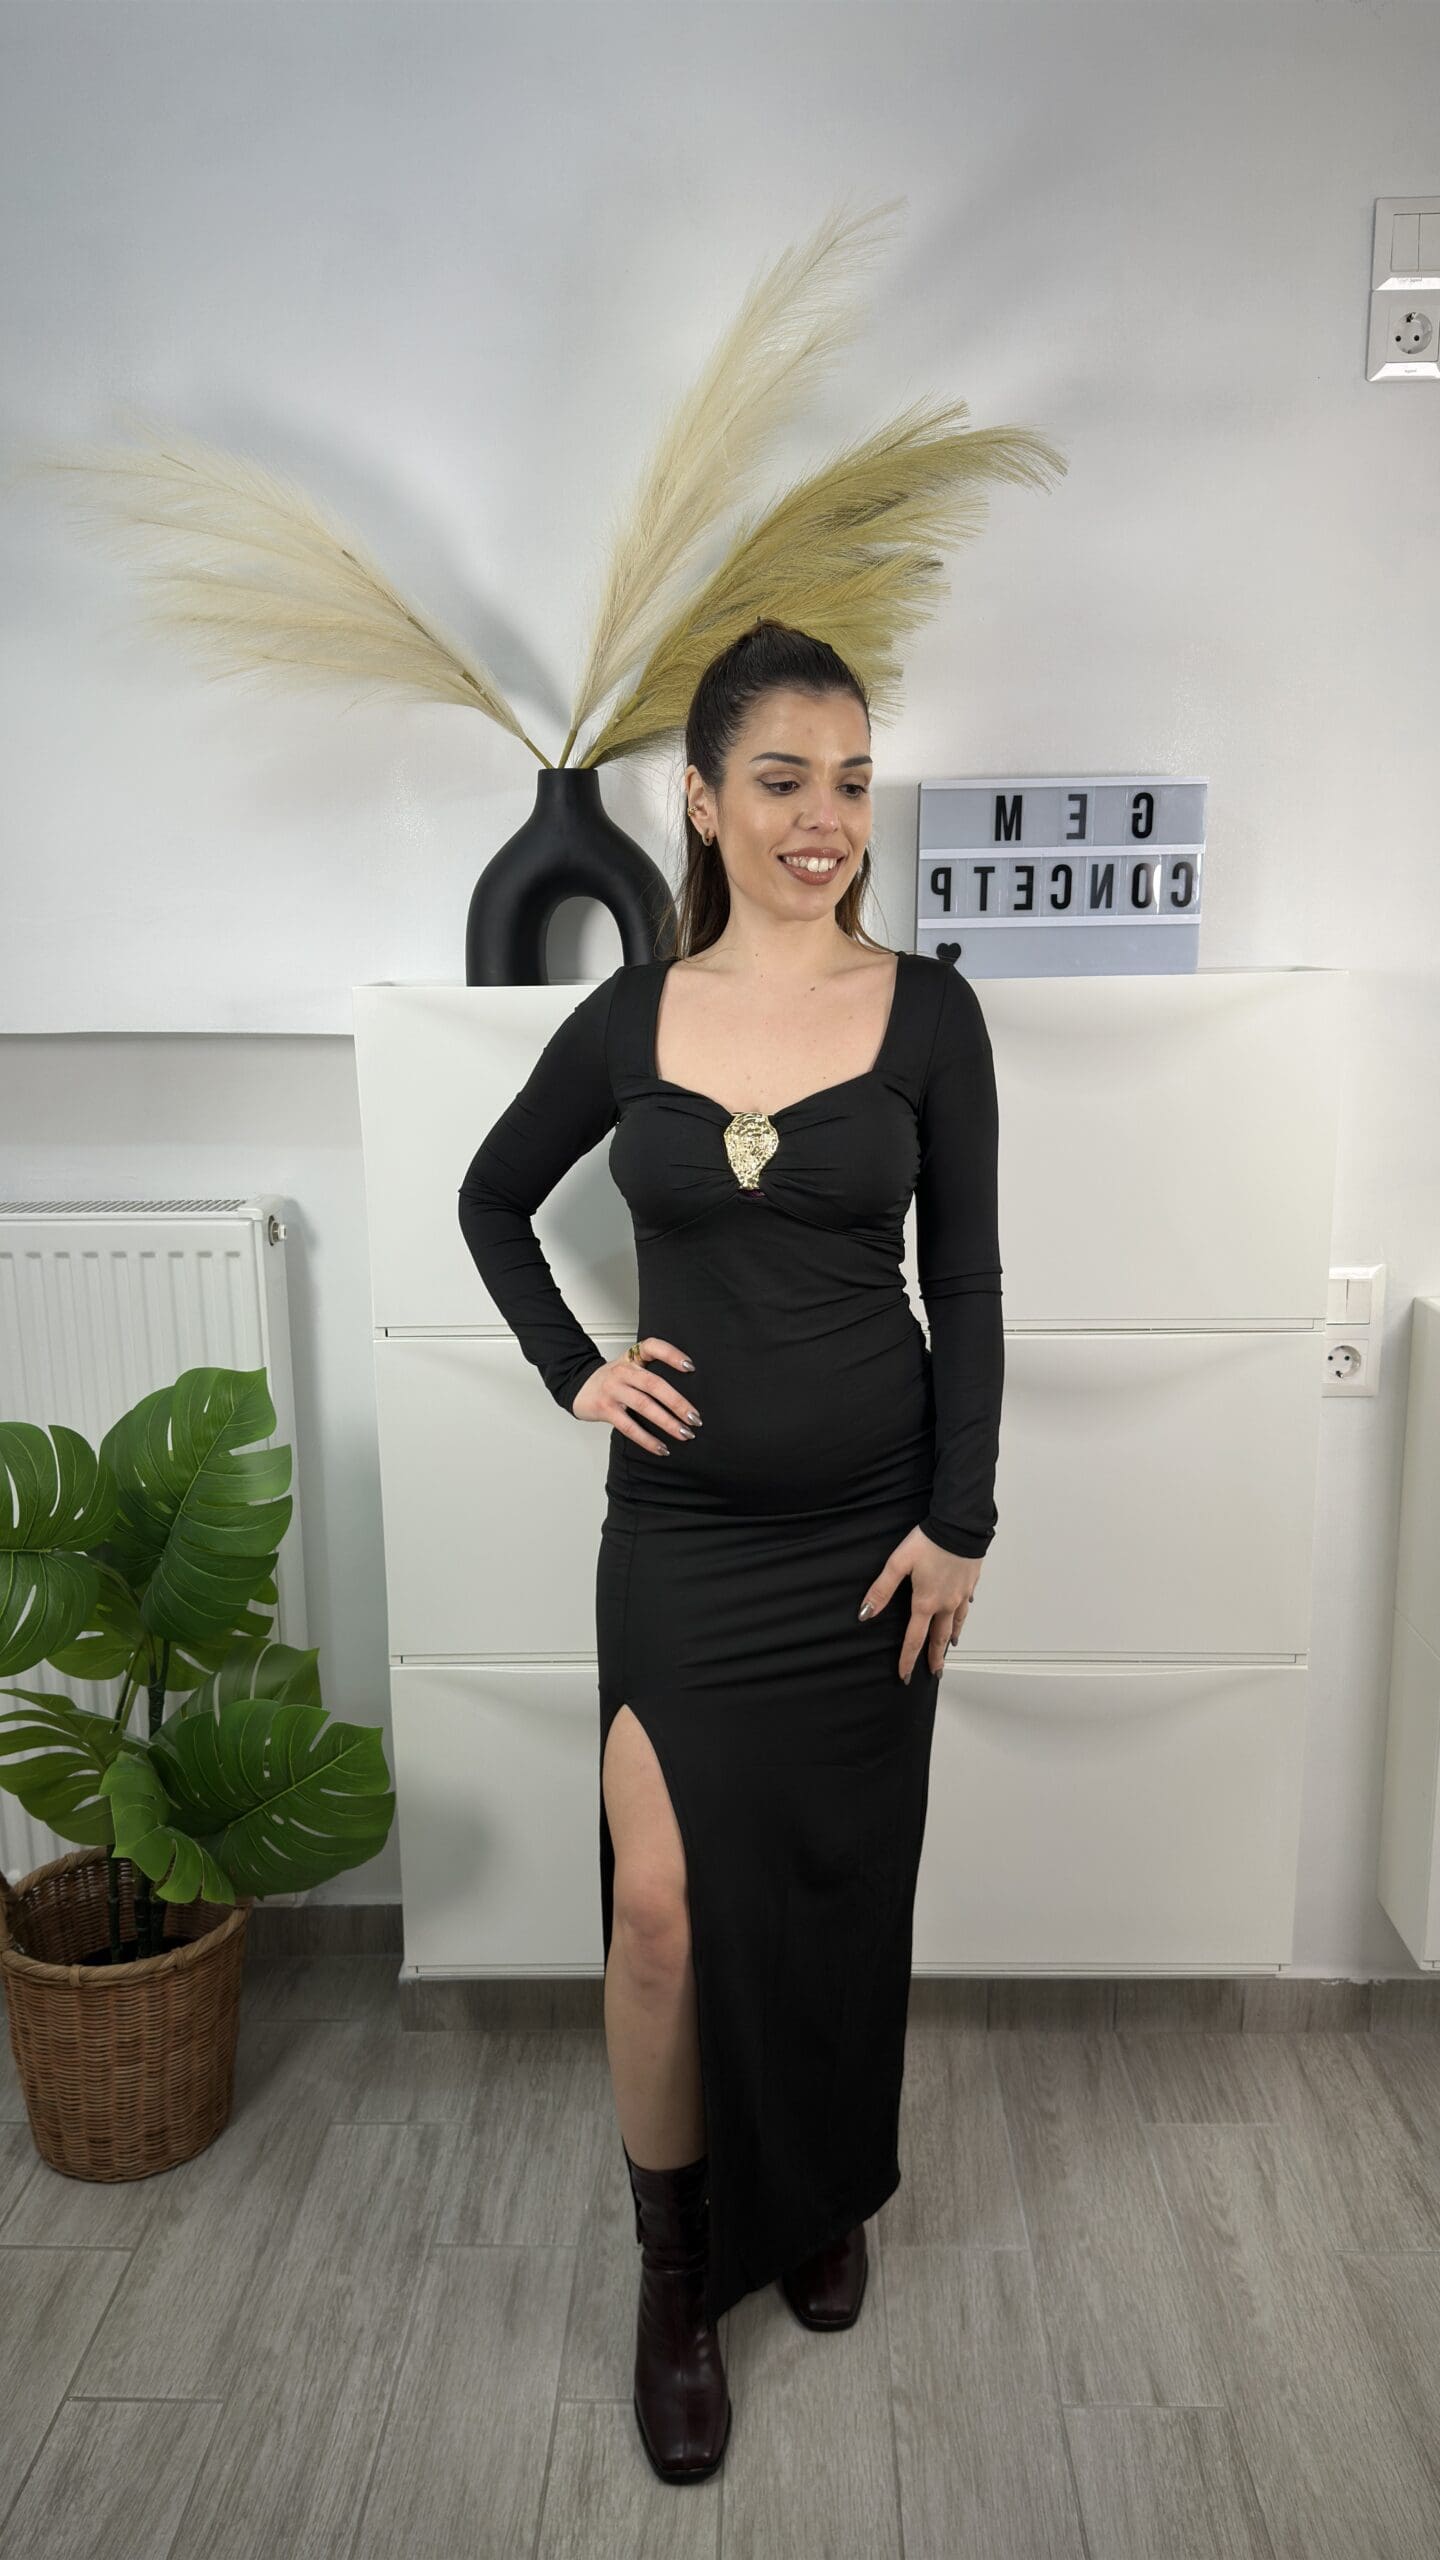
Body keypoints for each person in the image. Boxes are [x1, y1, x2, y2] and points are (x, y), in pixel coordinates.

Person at [457, 617, 1004, 2485]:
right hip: (683, 1542)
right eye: (783, 781)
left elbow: (970, 1286)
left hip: (871, 1540)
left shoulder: (930, 1014)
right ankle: (677, 2277)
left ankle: (825, 2189)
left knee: (835, 1890)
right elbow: (491, 1195)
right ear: (702, 801)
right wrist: (575, 1370)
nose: (823, 818)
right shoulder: (627, 1019)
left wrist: (959, 1521)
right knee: (665, 1913)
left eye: (851, 782)